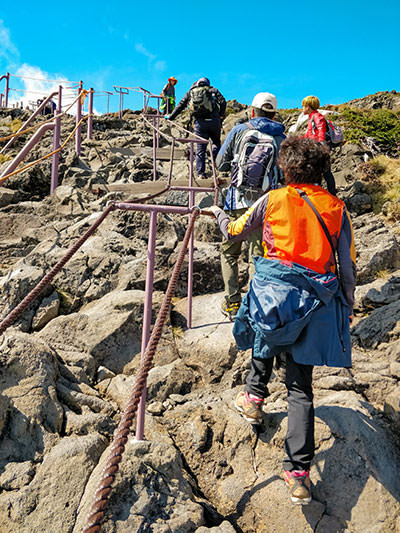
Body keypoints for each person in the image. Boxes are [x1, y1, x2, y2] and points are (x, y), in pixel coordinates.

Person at [209, 137, 356, 505]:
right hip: (318, 302)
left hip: (274, 292)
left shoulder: (274, 198)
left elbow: (235, 230)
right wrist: (348, 304)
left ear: (285, 168)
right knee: (300, 387)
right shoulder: (337, 207)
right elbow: (348, 265)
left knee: (265, 334)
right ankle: (299, 476)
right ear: (321, 170)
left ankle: (254, 399)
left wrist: (217, 214)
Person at [215, 92, 285, 320]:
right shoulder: (280, 137)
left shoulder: (239, 130)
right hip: (265, 205)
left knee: (229, 253)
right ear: (274, 113)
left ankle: (232, 303)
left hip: (235, 201)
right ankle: (255, 306)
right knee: (258, 256)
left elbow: (220, 163)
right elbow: (284, 173)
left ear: (253, 111)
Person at [165, 77, 226, 179]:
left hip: (200, 123)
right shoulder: (213, 90)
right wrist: (220, 115)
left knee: (200, 149)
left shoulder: (191, 92)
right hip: (214, 122)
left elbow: (181, 105)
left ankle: (201, 173)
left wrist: (170, 117)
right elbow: (223, 102)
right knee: (216, 143)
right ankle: (215, 162)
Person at [302, 95, 337, 195]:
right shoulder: (312, 117)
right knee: (324, 173)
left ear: (308, 106)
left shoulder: (317, 116)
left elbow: (321, 129)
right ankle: (327, 194)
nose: (302, 108)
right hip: (317, 147)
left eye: (303, 106)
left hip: (319, 148)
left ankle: (331, 195)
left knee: (325, 173)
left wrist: (322, 146)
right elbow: (309, 134)